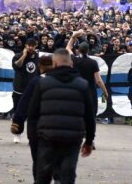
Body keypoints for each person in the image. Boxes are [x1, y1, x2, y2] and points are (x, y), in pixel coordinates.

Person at [28, 48, 96, 184]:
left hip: (47, 137)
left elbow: (32, 114)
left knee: (43, 175)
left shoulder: (43, 83)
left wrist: (34, 139)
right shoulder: (82, 85)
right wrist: (89, 141)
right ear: (71, 64)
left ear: (54, 63)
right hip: (72, 139)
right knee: (68, 174)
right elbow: (89, 116)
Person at [10, 55, 55, 182]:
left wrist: (17, 121)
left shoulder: (35, 82)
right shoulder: (61, 81)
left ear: (40, 67)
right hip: (55, 126)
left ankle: (39, 180)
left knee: (38, 158)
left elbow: (24, 103)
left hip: (36, 125)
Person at [11, 38, 39, 143]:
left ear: (36, 46)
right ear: (25, 46)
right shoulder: (17, 56)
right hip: (19, 90)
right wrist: (23, 56)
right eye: (29, 45)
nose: (30, 47)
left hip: (33, 91)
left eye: (33, 46)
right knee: (18, 114)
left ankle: (31, 137)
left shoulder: (37, 58)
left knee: (33, 115)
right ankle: (17, 134)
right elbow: (17, 65)